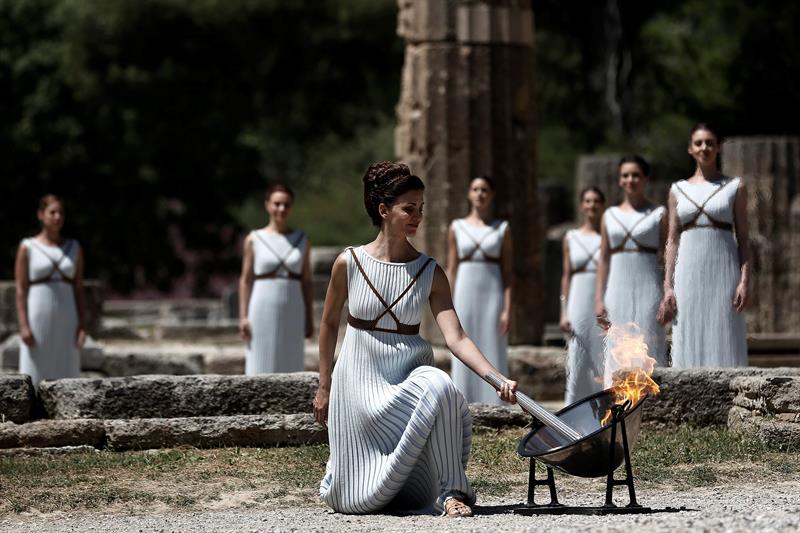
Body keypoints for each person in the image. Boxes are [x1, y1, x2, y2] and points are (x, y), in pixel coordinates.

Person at [315, 162, 517, 517]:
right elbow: (329, 323)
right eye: (409, 208)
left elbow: (456, 337)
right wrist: (324, 386)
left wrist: (496, 377)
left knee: (442, 386)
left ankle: (451, 491)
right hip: (358, 383)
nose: (417, 216)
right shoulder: (348, 263)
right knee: (354, 501)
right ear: (383, 210)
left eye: (421, 209)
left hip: (408, 376)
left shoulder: (430, 271)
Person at [659, 123, 749, 367]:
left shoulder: (734, 187)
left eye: (710, 142)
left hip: (724, 269)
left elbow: (743, 236)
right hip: (688, 270)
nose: (704, 147)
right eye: (698, 143)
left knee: (725, 328)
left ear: (718, 147)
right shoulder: (678, 189)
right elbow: (672, 239)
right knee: (688, 326)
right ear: (690, 149)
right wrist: (668, 285)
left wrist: (744, 280)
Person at [446, 176, 513, 405]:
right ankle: (463, 400)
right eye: (475, 189)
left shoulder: (502, 228)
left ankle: (496, 401)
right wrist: (447, 302)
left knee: (491, 341)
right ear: (469, 193)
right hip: (464, 289)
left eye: (484, 189)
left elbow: (508, 272)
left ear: (491, 194)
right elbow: (452, 268)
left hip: (492, 291)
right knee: (463, 339)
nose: (480, 194)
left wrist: (507, 308)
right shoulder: (456, 227)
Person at [595, 156, 667, 366]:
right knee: (617, 347)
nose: (630, 180)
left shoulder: (658, 214)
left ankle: (652, 398)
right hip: (617, 290)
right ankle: (616, 397)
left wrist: (668, 290)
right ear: (619, 180)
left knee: (649, 345)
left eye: (636, 175)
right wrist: (599, 299)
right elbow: (604, 259)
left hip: (649, 289)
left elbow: (669, 253)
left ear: (645, 179)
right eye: (625, 175)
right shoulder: (610, 215)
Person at [239, 184, 313, 374]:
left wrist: (309, 318)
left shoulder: (302, 239)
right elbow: (246, 280)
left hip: (293, 306)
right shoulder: (254, 239)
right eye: (277, 204)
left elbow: (306, 281)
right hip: (261, 305)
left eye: (286, 205)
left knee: (291, 361)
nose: (281, 209)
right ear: (267, 205)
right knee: (259, 360)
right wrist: (243, 317)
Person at [15, 195, 87, 386]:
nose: (57, 217)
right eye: (52, 212)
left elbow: (79, 289)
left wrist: (82, 324)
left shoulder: (75, 248)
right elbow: (21, 289)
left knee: (67, 364)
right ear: (41, 215)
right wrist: (23, 325)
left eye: (61, 213)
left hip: (67, 316)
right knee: (35, 365)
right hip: (37, 314)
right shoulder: (28, 247)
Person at [560, 186, 606, 403]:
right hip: (577, 298)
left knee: (601, 353)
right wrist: (563, 311)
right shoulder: (571, 237)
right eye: (588, 201)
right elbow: (566, 276)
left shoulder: (608, 238)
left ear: (602, 205)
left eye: (596, 201)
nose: (592, 205)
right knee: (578, 354)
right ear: (581, 205)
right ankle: (572, 405)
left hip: (601, 299)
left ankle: (602, 405)